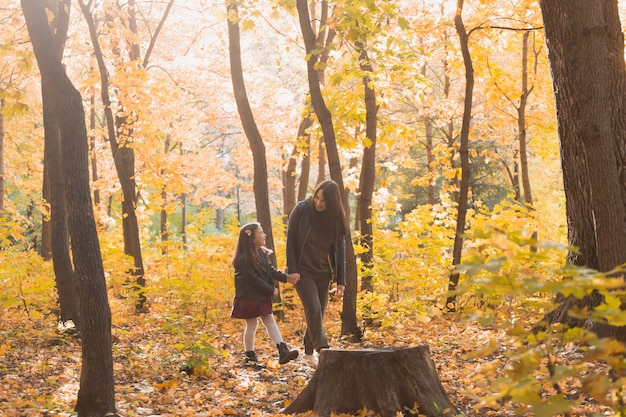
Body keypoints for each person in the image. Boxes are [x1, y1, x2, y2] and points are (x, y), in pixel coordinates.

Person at [286, 180, 348, 367]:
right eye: (317, 197)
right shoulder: (302, 209)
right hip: (302, 272)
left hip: (324, 273)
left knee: (318, 314)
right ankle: (324, 351)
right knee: (313, 309)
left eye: (323, 201)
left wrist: (341, 280)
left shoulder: (335, 218)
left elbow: (340, 250)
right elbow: (290, 241)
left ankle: (308, 353)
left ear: (332, 203)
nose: (318, 203)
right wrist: (292, 269)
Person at [231, 222, 300, 368]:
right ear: (252, 238)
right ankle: (250, 355)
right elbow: (253, 279)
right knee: (252, 324)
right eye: (261, 233)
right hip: (248, 296)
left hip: (260, 295)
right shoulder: (244, 258)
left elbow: (271, 271)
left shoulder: (261, 253)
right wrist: (271, 289)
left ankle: (282, 350)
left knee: (268, 320)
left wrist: (287, 278)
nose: (264, 235)